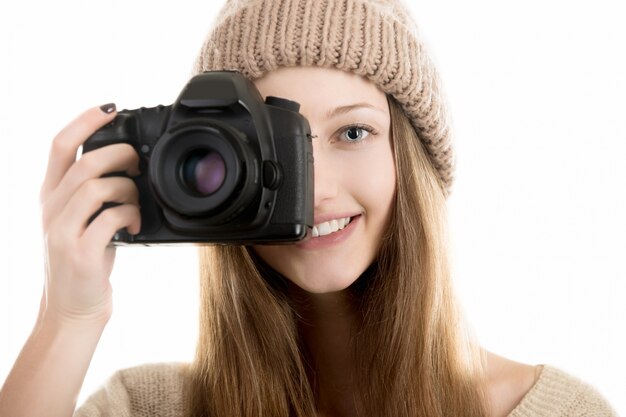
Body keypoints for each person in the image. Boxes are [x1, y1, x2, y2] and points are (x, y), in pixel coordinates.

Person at [0, 0, 618, 416]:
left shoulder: (560, 409)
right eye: (274, 145)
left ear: (415, 160)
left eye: (354, 133)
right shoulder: (146, 405)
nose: (315, 188)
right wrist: (67, 317)